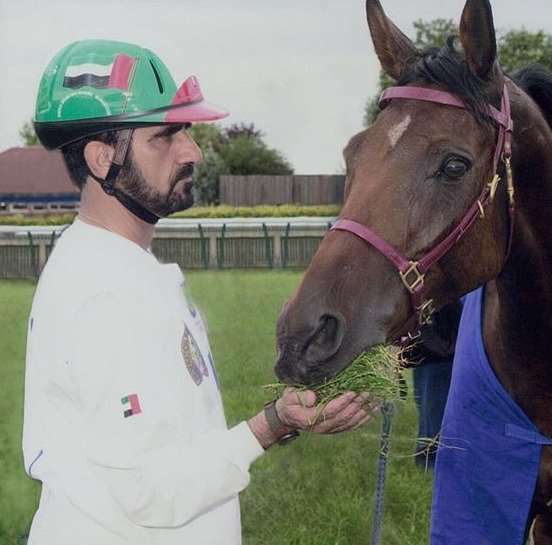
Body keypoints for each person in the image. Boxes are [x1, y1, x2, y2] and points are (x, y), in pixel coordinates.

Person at [22, 39, 374, 545]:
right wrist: (272, 423)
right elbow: (149, 492)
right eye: (166, 136)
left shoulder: (125, 267)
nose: (193, 151)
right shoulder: (103, 298)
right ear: (103, 159)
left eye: (187, 131)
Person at [403, 299, 463, 470]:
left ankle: (434, 456)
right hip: (436, 345)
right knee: (434, 414)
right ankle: (431, 458)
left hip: (444, 343)